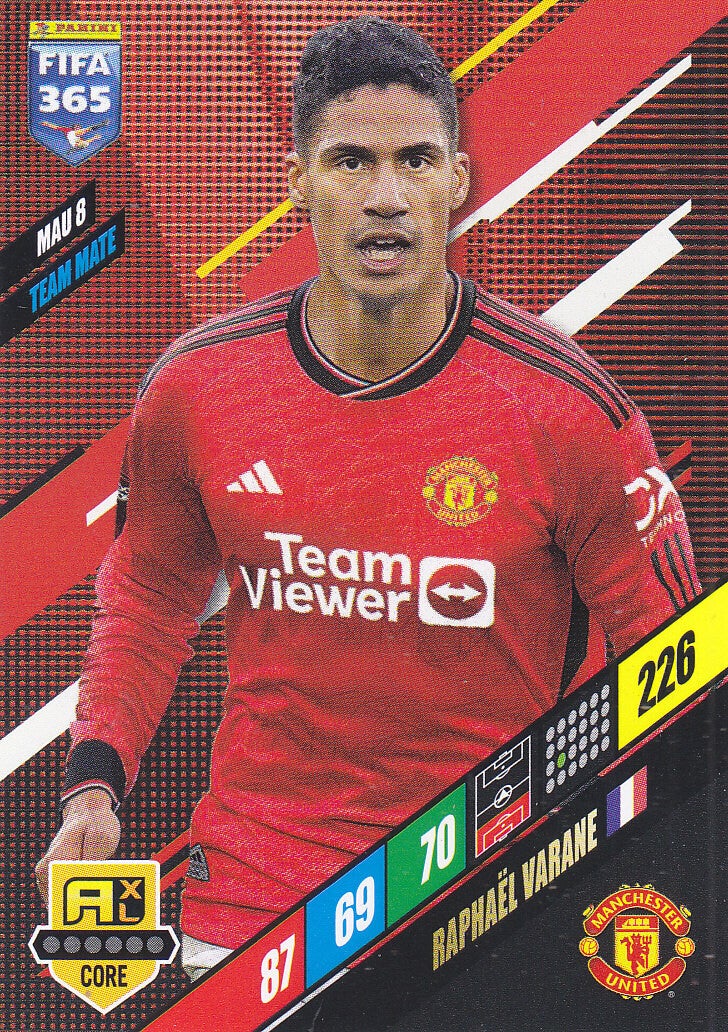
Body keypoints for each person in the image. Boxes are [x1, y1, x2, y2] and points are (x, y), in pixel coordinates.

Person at [35, 16, 700, 980]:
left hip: (485, 898)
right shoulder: (197, 389)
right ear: (298, 181)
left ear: (457, 180)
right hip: (252, 911)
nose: (386, 197)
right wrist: (93, 790)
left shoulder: (569, 411)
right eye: (350, 162)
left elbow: (680, 675)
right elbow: (146, 598)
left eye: (415, 161)